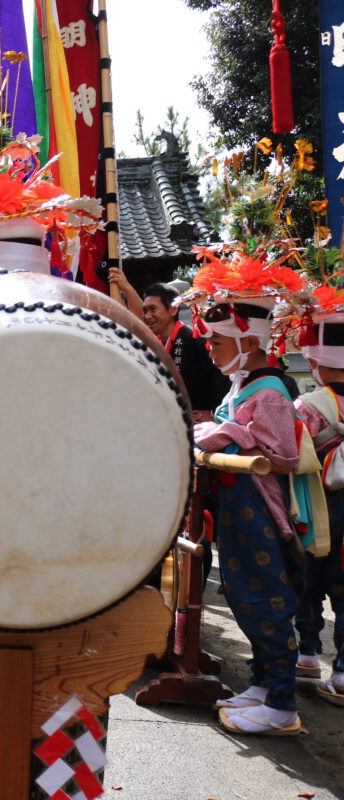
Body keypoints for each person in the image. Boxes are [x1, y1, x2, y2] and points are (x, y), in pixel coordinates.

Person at [186, 264, 307, 735]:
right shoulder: (243, 386)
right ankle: (262, 684)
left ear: (249, 343)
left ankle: (282, 704)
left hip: (259, 506)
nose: (210, 348)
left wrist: (227, 434)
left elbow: (284, 456)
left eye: (217, 341)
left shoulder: (271, 390)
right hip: (238, 505)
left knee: (264, 597)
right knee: (243, 595)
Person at [291, 296, 344, 705]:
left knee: (307, 580)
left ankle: (307, 653)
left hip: (318, 504)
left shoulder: (310, 405)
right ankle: (342, 671)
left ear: (317, 361)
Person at [109, 270, 229, 422]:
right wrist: (125, 288)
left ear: (173, 309)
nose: (147, 316)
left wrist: (213, 414)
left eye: (153, 309)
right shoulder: (156, 344)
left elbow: (222, 377)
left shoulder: (195, 340)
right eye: (145, 311)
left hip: (200, 427)